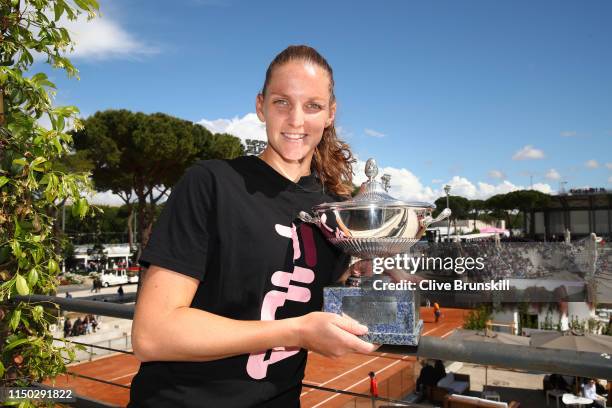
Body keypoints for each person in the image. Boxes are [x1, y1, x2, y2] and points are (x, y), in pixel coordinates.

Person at [128, 45, 376, 408]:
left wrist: (377, 270)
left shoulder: (332, 212)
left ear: (330, 114)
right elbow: (152, 334)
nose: (295, 120)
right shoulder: (210, 183)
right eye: (282, 102)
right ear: (261, 106)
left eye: (312, 106)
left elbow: (335, 297)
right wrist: (296, 331)